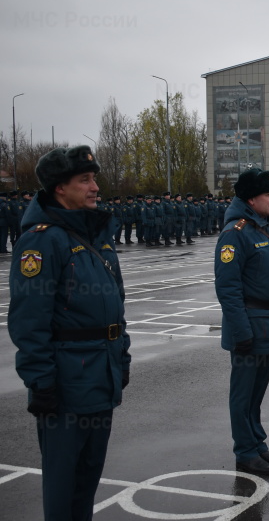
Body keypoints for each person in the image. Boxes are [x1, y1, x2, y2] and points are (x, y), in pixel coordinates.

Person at [7, 145, 131, 520]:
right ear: (60, 188)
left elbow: (117, 306)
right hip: (66, 381)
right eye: (85, 180)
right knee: (63, 483)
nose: (95, 187)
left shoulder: (95, 234)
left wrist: (121, 355)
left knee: (88, 477)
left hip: (102, 372)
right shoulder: (43, 240)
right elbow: (30, 319)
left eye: (94, 179)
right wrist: (40, 380)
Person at [214, 168, 269, 476]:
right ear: (251, 199)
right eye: (268, 195)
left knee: (257, 394)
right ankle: (245, 451)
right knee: (243, 393)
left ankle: (257, 444)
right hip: (249, 325)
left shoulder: (266, 227)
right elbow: (228, 289)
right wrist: (242, 332)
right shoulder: (236, 233)